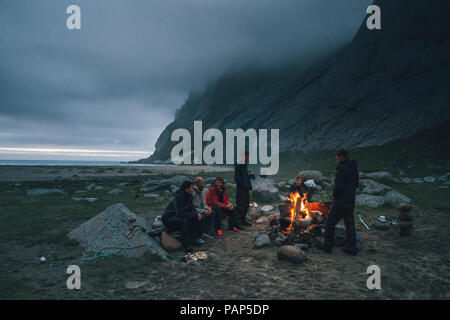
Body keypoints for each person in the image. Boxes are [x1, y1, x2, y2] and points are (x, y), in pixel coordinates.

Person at [322, 148, 359, 256]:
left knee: (330, 222)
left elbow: (339, 185)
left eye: (337, 157)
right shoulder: (353, 168)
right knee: (349, 223)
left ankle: (328, 246)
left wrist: (334, 195)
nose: (336, 159)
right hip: (350, 200)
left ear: (342, 156)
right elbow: (356, 184)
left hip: (341, 200)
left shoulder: (343, 168)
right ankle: (352, 247)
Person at [161, 180, 203, 252]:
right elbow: (180, 213)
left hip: (177, 216)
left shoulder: (189, 196)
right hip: (168, 218)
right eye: (192, 188)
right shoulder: (179, 197)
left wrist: (196, 214)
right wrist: (194, 215)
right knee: (184, 221)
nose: (193, 190)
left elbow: (192, 209)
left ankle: (193, 240)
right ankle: (187, 246)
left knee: (195, 217)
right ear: (186, 189)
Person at [193, 177, 214, 241]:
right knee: (203, 215)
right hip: (195, 211)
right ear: (198, 184)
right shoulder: (193, 192)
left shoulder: (201, 191)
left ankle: (205, 233)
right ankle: (198, 235)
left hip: (200, 209)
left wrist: (208, 208)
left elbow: (203, 203)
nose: (204, 185)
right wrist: (204, 211)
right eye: (203, 183)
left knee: (212, 213)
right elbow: (192, 207)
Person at [234, 151, 252, 227]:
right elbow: (237, 178)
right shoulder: (239, 165)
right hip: (241, 190)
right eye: (247, 156)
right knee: (240, 206)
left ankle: (243, 220)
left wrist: (249, 185)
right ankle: (238, 223)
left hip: (245, 189)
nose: (248, 157)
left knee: (246, 205)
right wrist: (245, 185)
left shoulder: (244, 164)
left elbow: (245, 177)